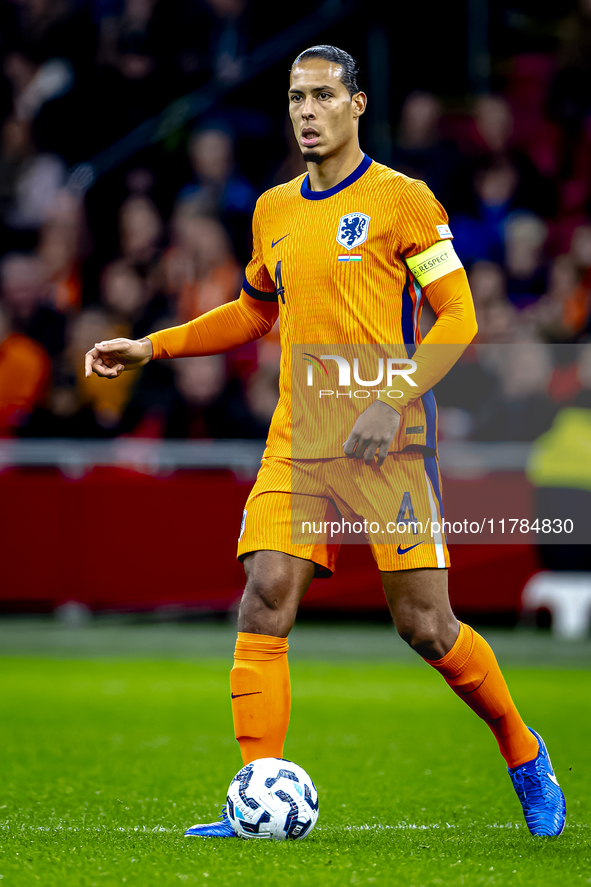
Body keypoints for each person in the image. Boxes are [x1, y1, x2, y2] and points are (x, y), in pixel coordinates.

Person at [85, 45, 566, 839]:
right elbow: (252, 310)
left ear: (356, 105)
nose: (305, 111)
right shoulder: (273, 207)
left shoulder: (402, 200)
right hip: (299, 441)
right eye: (294, 97)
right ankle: (250, 798)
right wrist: (155, 344)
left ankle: (523, 751)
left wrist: (390, 397)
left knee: (425, 627)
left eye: (320, 96)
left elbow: (459, 318)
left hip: (389, 442)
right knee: (265, 595)